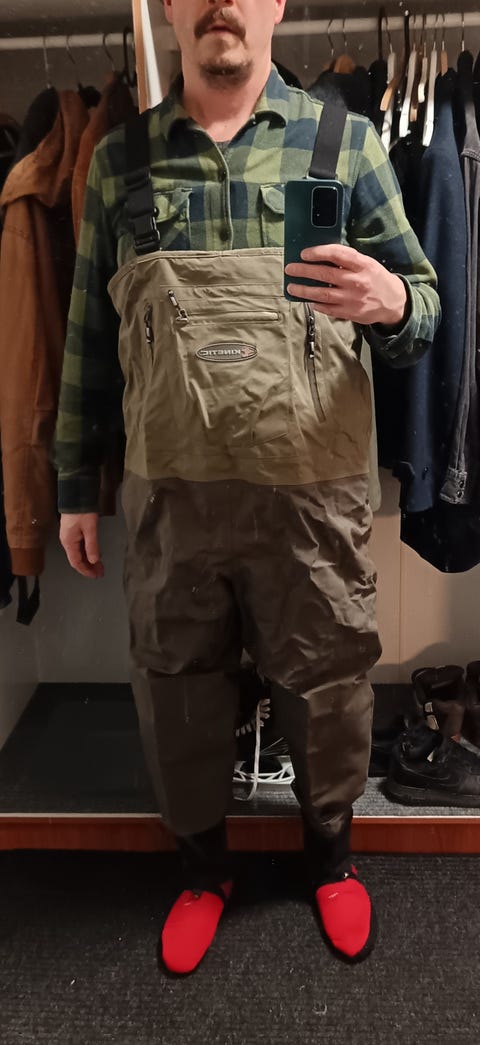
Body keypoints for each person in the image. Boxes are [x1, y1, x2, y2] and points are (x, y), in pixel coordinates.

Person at [54, 0, 441, 974]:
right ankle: (201, 872)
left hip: (313, 502)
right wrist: (71, 485)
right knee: (176, 685)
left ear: (275, 4)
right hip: (171, 503)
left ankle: (331, 862)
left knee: (328, 680)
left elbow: (429, 309)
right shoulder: (119, 163)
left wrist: (395, 298)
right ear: (170, 7)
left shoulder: (344, 145)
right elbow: (87, 337)